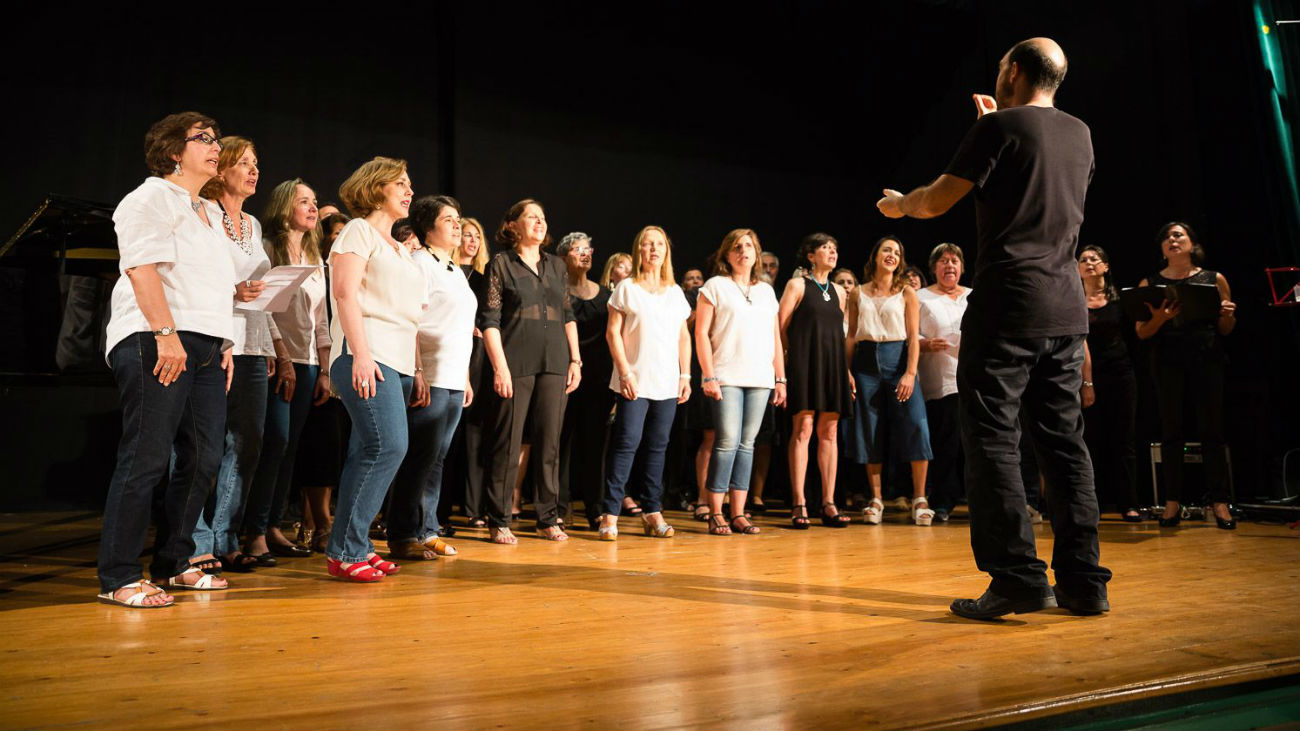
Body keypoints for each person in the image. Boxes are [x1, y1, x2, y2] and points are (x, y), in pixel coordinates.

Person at [878, 37, 1111, 619]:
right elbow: (1033, 178)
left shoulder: (997, 131)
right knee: (1064, 446)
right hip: (1065, 308)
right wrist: (997, 127)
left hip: (1009, 304)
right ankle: (1084, 585)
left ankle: (1017, 578)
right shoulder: (1079, 133)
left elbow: (936, 202)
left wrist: (902, 205)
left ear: (1011, 71)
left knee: (993, 440)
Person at [97, 112, 237, 607]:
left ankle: (175, 563)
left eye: (216, 138)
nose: (214, 145)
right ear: (174, 150)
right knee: (147, 457)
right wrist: (165, 333)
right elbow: (140, 267)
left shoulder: (210, 211)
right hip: (154, 337)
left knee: (205, 458)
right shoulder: (150, 196)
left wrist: (225, 345)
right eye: (203, 138)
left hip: (204, 346)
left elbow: (212, 283)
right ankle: (117, 576)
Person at [324, 157, 424, 581]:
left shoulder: (400, 248)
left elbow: (410, 314)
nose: (409, 191)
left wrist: (417, 368)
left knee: (370, 451)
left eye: (409, 183)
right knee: (387, 448)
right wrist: (360, 354)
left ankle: (358, 545)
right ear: (375, 187)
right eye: (400, 183)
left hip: (397, 362)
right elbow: (345, 294)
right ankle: (344, 551)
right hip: (367, 356)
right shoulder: (357, 230)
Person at [190, 136, 275, 575]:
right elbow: (192, 277)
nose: (253, 169)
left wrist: (271, 341)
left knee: (246, 447)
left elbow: (260, 289)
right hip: (215, 342)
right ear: (220, 170)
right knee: (203, 446)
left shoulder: (255, 226)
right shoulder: (203, 214)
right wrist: (232, 292)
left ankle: (226, 537)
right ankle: (197, 539)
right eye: (243, 162)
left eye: (256, 162)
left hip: (252, 345)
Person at [479, 199, 582, 544]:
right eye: (531, 217)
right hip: (515, 362)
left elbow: (567, 316)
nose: (539, 222)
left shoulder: (556, 265)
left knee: (549, 442)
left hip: (555, 361)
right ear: (513, 226)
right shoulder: (502, 264)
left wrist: (575, 360)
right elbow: (490, 321)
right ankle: (499, 517)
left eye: (542, 216)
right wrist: (499, 367)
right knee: (507, 443)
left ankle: (547, 517)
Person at [241, 179, 326, 563]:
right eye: (303, 201)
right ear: (284, 206)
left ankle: (275, 526)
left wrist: (325, 369)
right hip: (278, 358)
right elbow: (266, 308)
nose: (312, 208)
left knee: (289, 447)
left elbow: (321, 319)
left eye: (314, 202)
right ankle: (254, 531)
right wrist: (283, 355)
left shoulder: (314, 253)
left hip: (309, 362)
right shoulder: (270, 247)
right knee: (273, 442)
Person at [387, 195, 475, 560]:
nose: (457, 224)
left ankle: (426, 529)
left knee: (437, 458)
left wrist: (466, 377)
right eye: (449, 219)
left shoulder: (453, 268)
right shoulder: (420, 263)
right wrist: (418, 370)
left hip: (454, 377)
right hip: (431, 375)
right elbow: (411, 321)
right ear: (428, 226)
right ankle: (402, 533)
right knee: (419, 457)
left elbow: (459, 327)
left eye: (458, 218)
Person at [1134, 222, 1237, 529]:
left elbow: (1225, 329)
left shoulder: (1213, 278)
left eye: (1178, 235)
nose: (1172, 240)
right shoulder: (1149, 283)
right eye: (1166, 237)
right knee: (1171, 430)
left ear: (1192, 243)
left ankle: (1220, 503)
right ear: (1162, 248)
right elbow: (1141, 332)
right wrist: (1160, 319)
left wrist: (1228, 316)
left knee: (1212, 430)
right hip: (1167, 360)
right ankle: (1171, 503)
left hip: (1207, 357)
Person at [598, 226, 691, 540]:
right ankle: (609, 514)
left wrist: (686, 375)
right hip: (634, 381)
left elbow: (683, 336)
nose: (654, 249)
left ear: (666, 251)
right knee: (625, 445)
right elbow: (613, 332)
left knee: (658, 448)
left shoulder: (675, 292)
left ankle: (652, 511)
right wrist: (624, 371)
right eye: (648, 244)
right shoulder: (627, 288)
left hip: (666, 382)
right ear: (639, 250)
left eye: (660, 244)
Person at [695, 229, 785, 535]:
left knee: (748, 445)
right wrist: (708, 374)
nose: (742, 251)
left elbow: (775, 337)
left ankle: (738, 512)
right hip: (727, 374)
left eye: (748, 246)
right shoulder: (715, 286)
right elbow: (701, 334)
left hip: (760, 376)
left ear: (756, 253)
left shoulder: (766, 291)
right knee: (727, 442)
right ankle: (715, 511)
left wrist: (781, 378)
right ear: (726, 255)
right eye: (736, 247)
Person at [846, 236, 934, 525]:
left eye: (897, 252)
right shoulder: (857, 293)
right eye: (887, 249)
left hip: (898, 360)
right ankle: (876, 498)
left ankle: (920, 498)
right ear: (875, 256)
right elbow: (850, 336)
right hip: (866, 362)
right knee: (870, 429)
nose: (892, 255)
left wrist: (910, 373)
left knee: (916, 424)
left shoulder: (907, 292)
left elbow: (913, 338)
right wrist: (846, 371)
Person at [778, 233, 854, 529]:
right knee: (804, 427)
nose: (832, 252)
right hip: (804, 363)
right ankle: (799, 502)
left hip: (833, 366)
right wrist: (788, 360)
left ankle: (828, 502)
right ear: (811, 255)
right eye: (826, 248)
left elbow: (841, 334)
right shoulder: (797, 285)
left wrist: (845, 371)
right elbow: (781, 325)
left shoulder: (840, 291)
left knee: (831, 431)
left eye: (835, 248)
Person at [292, 210, 350, 553]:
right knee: (317, 448)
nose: (338, 238)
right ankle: (317, 523)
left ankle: (322, 523)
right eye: (333, 233)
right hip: (313, 363)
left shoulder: (350, 266)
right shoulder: (316, 269)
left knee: (336, 448)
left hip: (342, 363)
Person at [555, 231, 616, 530]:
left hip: (599, 380)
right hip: (564, 376)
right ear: (563, 256)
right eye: (577, 249)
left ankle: (595, 508)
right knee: (560, 442)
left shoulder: (606, 295)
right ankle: (559, 507)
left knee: (595, 445)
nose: (585, 253)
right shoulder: (555, 291)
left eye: (588, 248)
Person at [1077, 245, 1142, 522]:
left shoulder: (1121, 301)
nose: (1089, 263)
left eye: (1095, 259)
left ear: (1105, 266)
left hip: (1120, 374)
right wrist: (1086, 382)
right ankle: (1095, 504)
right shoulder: (1074, 302)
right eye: (1083, 260)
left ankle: (1129, 503)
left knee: (1123, 440)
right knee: (1091, 441)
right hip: (1086, 377)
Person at [916, 243, 971, 523]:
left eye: (955, 261)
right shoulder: (921, 297)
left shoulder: (972, 297)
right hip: (939, 380)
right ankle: (942, 501)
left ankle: (977, 501)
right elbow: (906, 333)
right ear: (933, 267)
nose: (950, 266)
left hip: (972, 380)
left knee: (973, 446)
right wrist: (923, 344)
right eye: (944, 261)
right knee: (945, 443)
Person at [448, 216, 491, 527]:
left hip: (480, 359)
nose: (472, 241)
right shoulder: (446, 274)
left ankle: (473, 506)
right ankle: (442, 506)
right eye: (466, 234)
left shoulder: (485, 278)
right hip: (452, 354)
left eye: (477, 236)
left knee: (476, 433)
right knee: (450, 434)